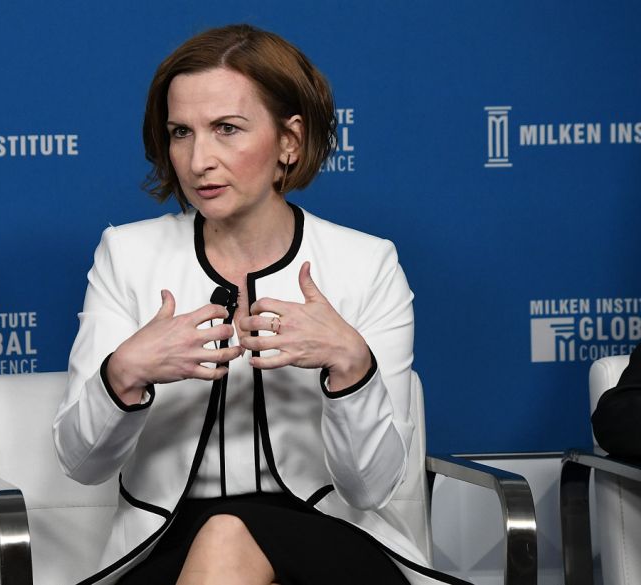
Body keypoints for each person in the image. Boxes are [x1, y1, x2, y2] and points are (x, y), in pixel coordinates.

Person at [53, 24, 466, 585]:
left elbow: (369, 488)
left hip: (330, 535)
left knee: (228, 534)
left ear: (289, 141)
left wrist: (352, 367)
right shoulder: (127, 255)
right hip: (164, 539)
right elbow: (83, 464)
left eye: (227, 129)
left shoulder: (366, 263)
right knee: (220, 533)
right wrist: (125, 372)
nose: (199, 160)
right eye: (181, 132)